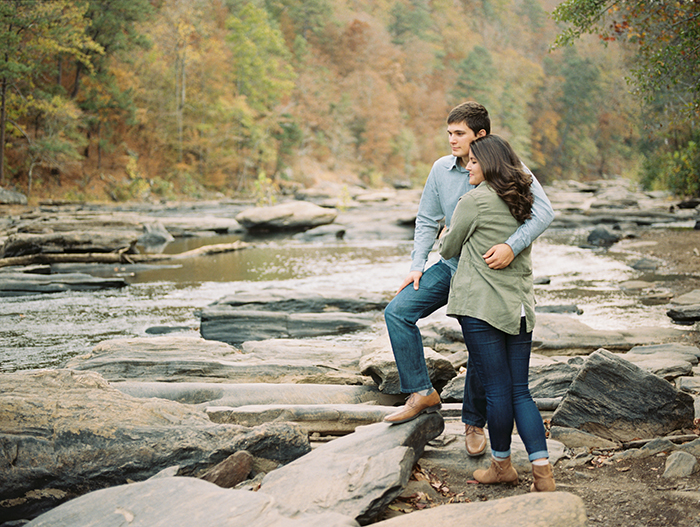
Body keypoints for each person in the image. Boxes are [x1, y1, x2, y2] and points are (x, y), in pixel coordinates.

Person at [382, 102, 555, 461]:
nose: (451, 140)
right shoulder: (440, 170)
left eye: (459, 133)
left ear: (482, 136)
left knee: (481, 347)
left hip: (487, 272)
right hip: (449, 266)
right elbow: (427, 220)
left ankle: (473, 423)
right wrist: (417, 265)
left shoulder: (510, 169)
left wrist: (512, 245)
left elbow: (544, 213)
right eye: (449, 133)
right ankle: (421, 391)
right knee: (398, 312)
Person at [438, 134, 555, 492]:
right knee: (521, 390)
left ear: (488, 164)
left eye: (473, 162)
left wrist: (446, 234)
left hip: (482, 308)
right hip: (519, 307)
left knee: (497, 390)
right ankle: (543, 472)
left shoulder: (472, 201)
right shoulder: (523, 199)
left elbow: (448, 248)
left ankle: (502, 465)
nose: (467, 167)